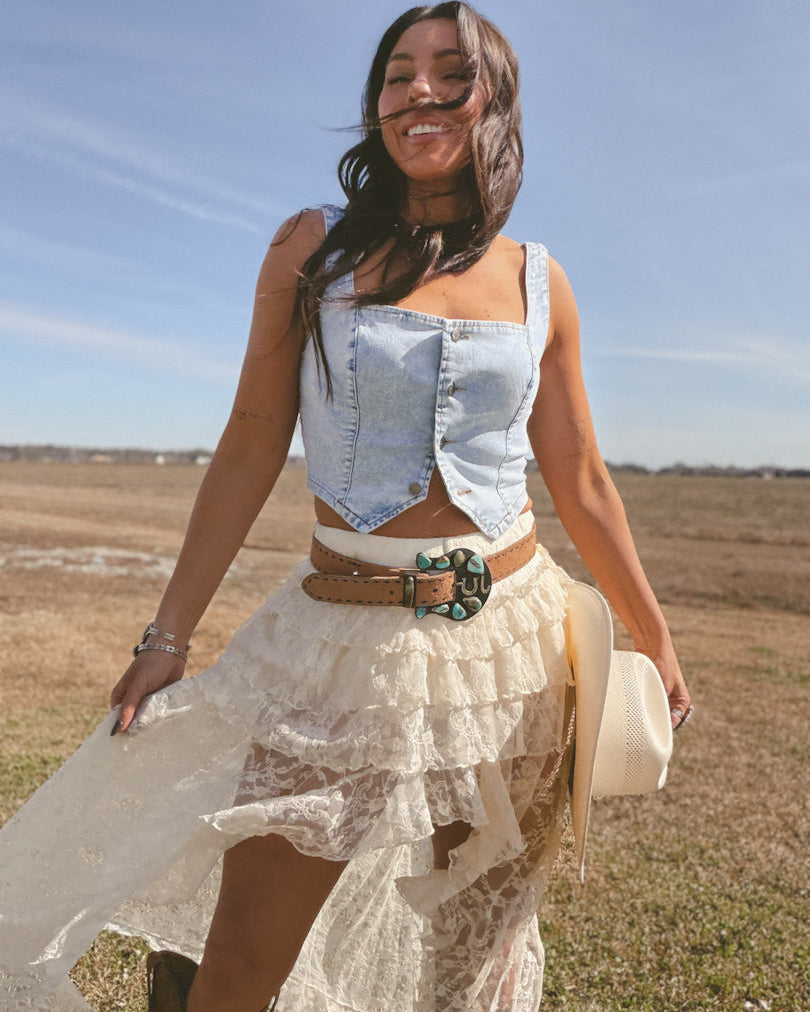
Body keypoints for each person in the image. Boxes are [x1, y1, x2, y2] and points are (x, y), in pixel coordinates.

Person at [0, 3, 691, 1010]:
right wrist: (168, 633)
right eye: (396, 74)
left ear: (496, 101)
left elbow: (580, 473)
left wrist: (653, 635)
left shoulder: (541, 280)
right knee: (245, 956)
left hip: (515, 641)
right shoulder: (309, 247)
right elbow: (250, 440)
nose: (419, 92)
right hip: (343, 632)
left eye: (451, 73)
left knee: (474, 955)